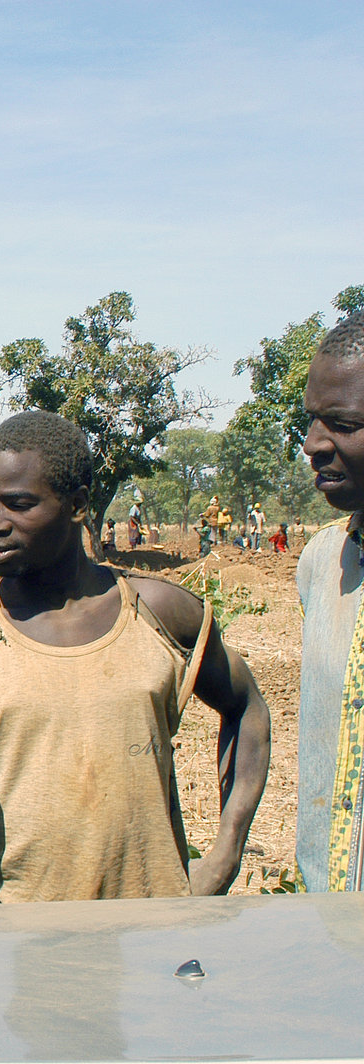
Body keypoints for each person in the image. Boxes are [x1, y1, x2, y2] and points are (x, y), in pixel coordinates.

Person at [0, 410, 270, 904]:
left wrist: (224, 855)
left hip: (151, 926)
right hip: (10, 936)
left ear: (78, 505)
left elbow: (246, 707)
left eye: (17, 504)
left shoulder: (158, 614)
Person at [294, 310, 364, 891]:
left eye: (340, 422)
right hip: (330, 917)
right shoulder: (321, 562)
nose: (313, 445)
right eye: (313, 420)